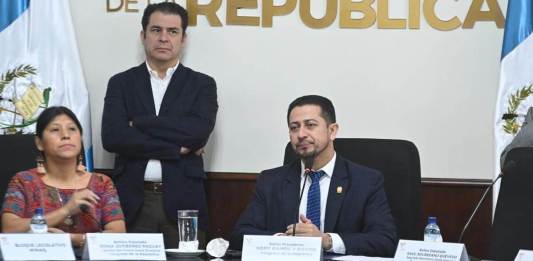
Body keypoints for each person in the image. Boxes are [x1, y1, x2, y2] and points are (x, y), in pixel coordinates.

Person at [101, 2, 218, 248]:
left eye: (172, 31)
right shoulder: (121, 83)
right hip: (132, 202)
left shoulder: (202, 85)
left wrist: (139, 123)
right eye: (156, 30)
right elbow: (113, 137)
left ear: (183, 38)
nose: (164, 38)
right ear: (143, 35)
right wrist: (175, 149)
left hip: (184, 202)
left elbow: (196, 133)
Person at [230, 95, 397, 256]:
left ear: (332, 131)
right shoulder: (271, 181)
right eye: (294, 127)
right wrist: (283, 242)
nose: (301, 134)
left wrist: (326, 241)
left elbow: (385, 241)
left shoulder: (366, 181)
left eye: (310, 125)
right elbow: (240, 235)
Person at [1, 106, 126, 248]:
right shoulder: (23, 181)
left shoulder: (101, 182)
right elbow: (9, 229)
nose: (66, 135)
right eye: (55, 130)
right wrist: (65, 211)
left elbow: (118, 234)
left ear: (80, 138)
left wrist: (70, 239)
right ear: (39, 142)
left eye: (72, 129)